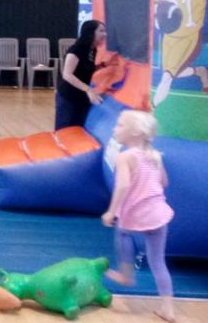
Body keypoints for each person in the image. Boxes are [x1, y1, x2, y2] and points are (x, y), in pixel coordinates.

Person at [101, 110, 175, 323]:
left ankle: (126, 274)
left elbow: (123, 185)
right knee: (158, 262)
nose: (115, 128)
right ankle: (168, 308)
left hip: (137, 213)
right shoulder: (155, 156)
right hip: (158, 214)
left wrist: (111, 211)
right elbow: (164, 182)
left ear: (134, 133)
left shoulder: (125, 156)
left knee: (122, 232)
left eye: (120, 125)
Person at [55, 19, 106, 130]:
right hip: (69, 97)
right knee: (64, 131)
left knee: (78, 131)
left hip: (81, 97)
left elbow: (84, 69)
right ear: (91, 32)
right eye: (101, 31)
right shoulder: (76, 49)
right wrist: (88, 90)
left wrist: (102, 66)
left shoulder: (92, 50)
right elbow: (67, 74)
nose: (104, 34)